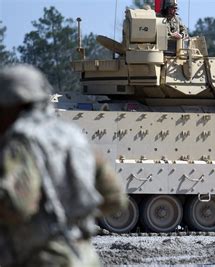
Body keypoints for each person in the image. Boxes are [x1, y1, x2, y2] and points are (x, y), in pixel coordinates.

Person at [0, 64, 127, 267]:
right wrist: (73, 216)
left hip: (42, 257)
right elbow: (115, 197)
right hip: (84, 256)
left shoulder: (21, 140)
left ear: (13, 104)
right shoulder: (74, 135)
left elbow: (18, 206)